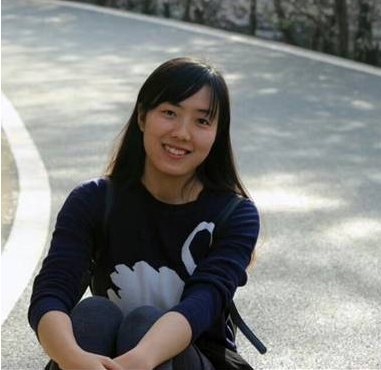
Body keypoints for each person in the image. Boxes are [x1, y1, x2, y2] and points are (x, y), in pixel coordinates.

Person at [28, 58, 261, 370]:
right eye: (170, 113)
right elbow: (52, 292)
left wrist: (140, 359)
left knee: (145, 322)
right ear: (142, 116)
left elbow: (204, 301)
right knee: (94, 313)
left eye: (202, 121)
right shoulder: (93, 200)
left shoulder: (235, 214)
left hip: (197, 358)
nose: (182, 133)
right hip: (102, 359)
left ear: (217, 133)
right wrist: (73, 359)